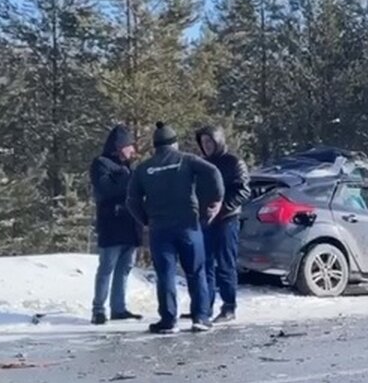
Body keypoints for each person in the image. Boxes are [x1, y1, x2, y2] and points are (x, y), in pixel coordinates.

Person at [127, 122, 224, 334]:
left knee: (165, 275)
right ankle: (200, 317)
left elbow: (132, 200)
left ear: (156, 146)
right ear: (175, 143)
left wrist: (145, 219)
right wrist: (216, 200)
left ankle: (168, 320)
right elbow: (214, 172)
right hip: (188, 225)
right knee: (196, 272)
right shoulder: (186, 160)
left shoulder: (144, 168)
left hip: (160, 229)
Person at [88, 124, 143, 325]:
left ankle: (118, 308)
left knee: (125, 268)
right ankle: (98, 309)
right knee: (107, 267)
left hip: (130, 225)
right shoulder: (101, 164)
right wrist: (127, 179)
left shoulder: (130, 168)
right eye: (130, 146)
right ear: (120, 146)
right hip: (111, 224)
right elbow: (105, 190)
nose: (133, 151)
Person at [195, 126, 250, 324]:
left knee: (225, 264)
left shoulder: (233, 162)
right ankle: (204, 306)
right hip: (206, 220)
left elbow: (243, 191)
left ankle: (229, 306)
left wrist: (223, 208)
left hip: (227, 219)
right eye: (203, 143)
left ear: (218, 141)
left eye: (210, 142)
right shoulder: (201, 164)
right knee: (205, 264)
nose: (206, 146)